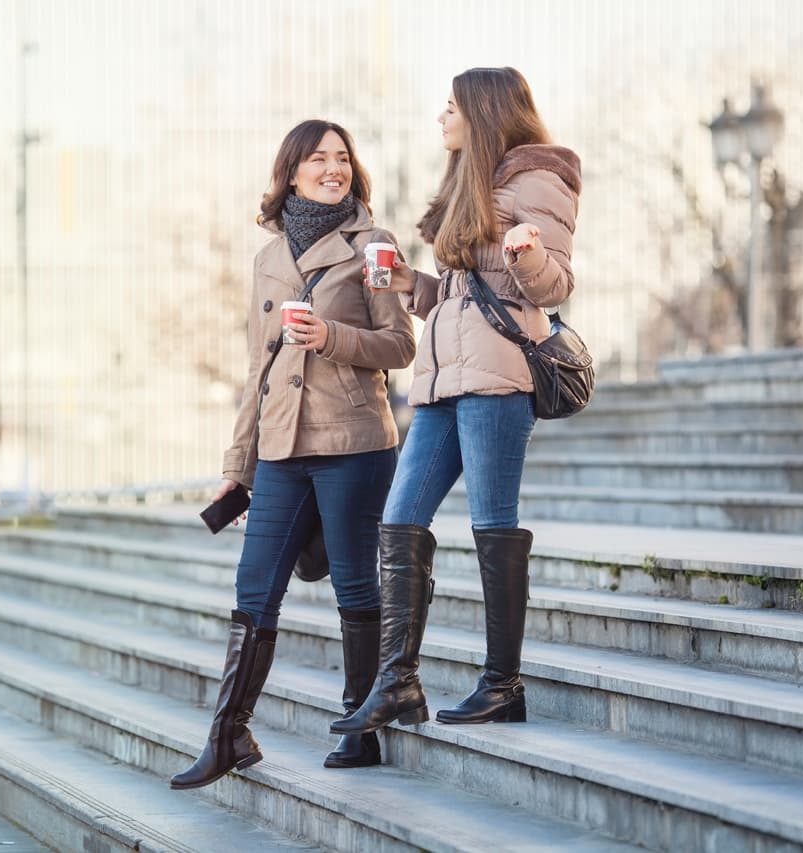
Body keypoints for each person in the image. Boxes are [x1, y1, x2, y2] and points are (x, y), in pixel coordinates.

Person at [330, 67, 581, 736]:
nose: (441, 116)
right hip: (440, 385)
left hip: (498, 381)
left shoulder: (537, 182)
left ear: (483, 111)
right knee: (399, 518)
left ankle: (503, 685)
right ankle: (397, 682)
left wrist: (527, 254)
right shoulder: (474, 184)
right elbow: (463, 298)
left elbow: (551, 284)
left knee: (492, 524)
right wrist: (411, 282)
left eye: (451, 107)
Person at [169, 120, 416, 790]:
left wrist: (332, 335)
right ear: (292, 171)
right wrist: (236, 463)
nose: (333, 168)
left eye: (342, 158)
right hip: (279, 448)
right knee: (255, 588)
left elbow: (400, 345)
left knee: (356, 585)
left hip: (354, 443)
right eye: (318, 159)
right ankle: (228, 734)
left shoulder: (376, 246)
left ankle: (361, 726)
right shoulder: (267, 259)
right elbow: (258, 369)